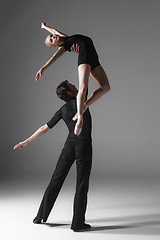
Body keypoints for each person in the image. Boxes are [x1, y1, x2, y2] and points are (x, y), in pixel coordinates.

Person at [14, 81, 92, 232]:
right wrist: (84, 58)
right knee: (82, 183)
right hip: (83, 145)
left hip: (70, 145)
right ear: (70, 92)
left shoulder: (63, 110)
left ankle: (40, 216)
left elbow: (45, 127)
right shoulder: (81, 100)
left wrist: (27, 141)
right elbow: (85, 80)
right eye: (71, 85)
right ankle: (77, 223)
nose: (75, 85)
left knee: (56, 180)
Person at [35, 23, 110, 135]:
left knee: (106, 87)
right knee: (83, 88)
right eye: (51, 39)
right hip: (84, 59)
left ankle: (83, 107)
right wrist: (43, 68)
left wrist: (44, 27)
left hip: (94, 59)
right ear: (55, 46)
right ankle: (80, 118)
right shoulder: (64, 45)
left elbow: (54, 31)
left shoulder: (66, 38)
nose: (52, 36)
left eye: (51, 36)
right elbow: (53, 58)